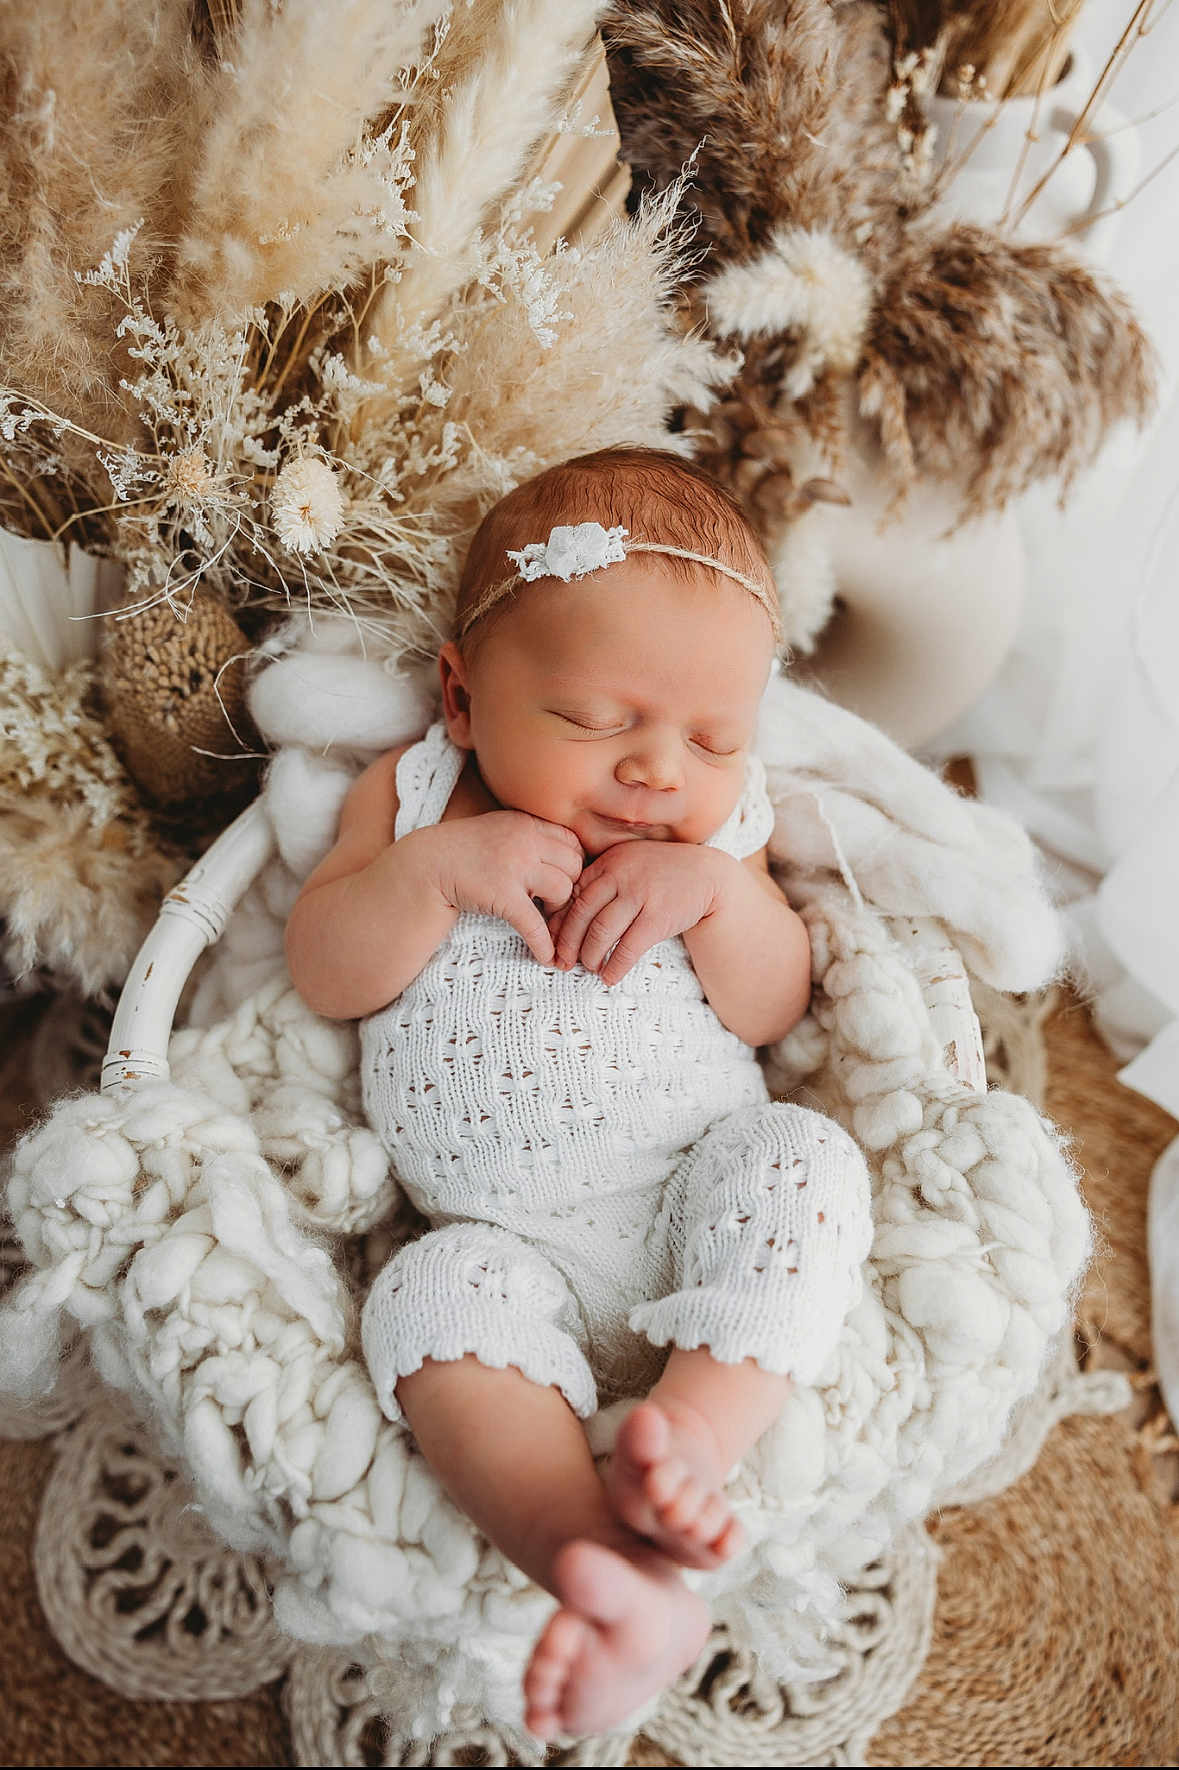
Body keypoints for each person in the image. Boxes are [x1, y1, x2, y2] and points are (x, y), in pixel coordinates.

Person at [284, 446, 873, 1740]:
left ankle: (689, 1440)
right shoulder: (416, 801)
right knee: (420, 1301)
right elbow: (324, 967)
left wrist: (717, 898)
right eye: (601, 720)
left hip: (695, 1193)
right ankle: (594, 1557)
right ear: (463, 697)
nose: (660, 770)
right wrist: (432, 876)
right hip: (502, 1244)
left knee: (804, 1160)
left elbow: (773, 1005)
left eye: (713, 739)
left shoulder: (718, 840)